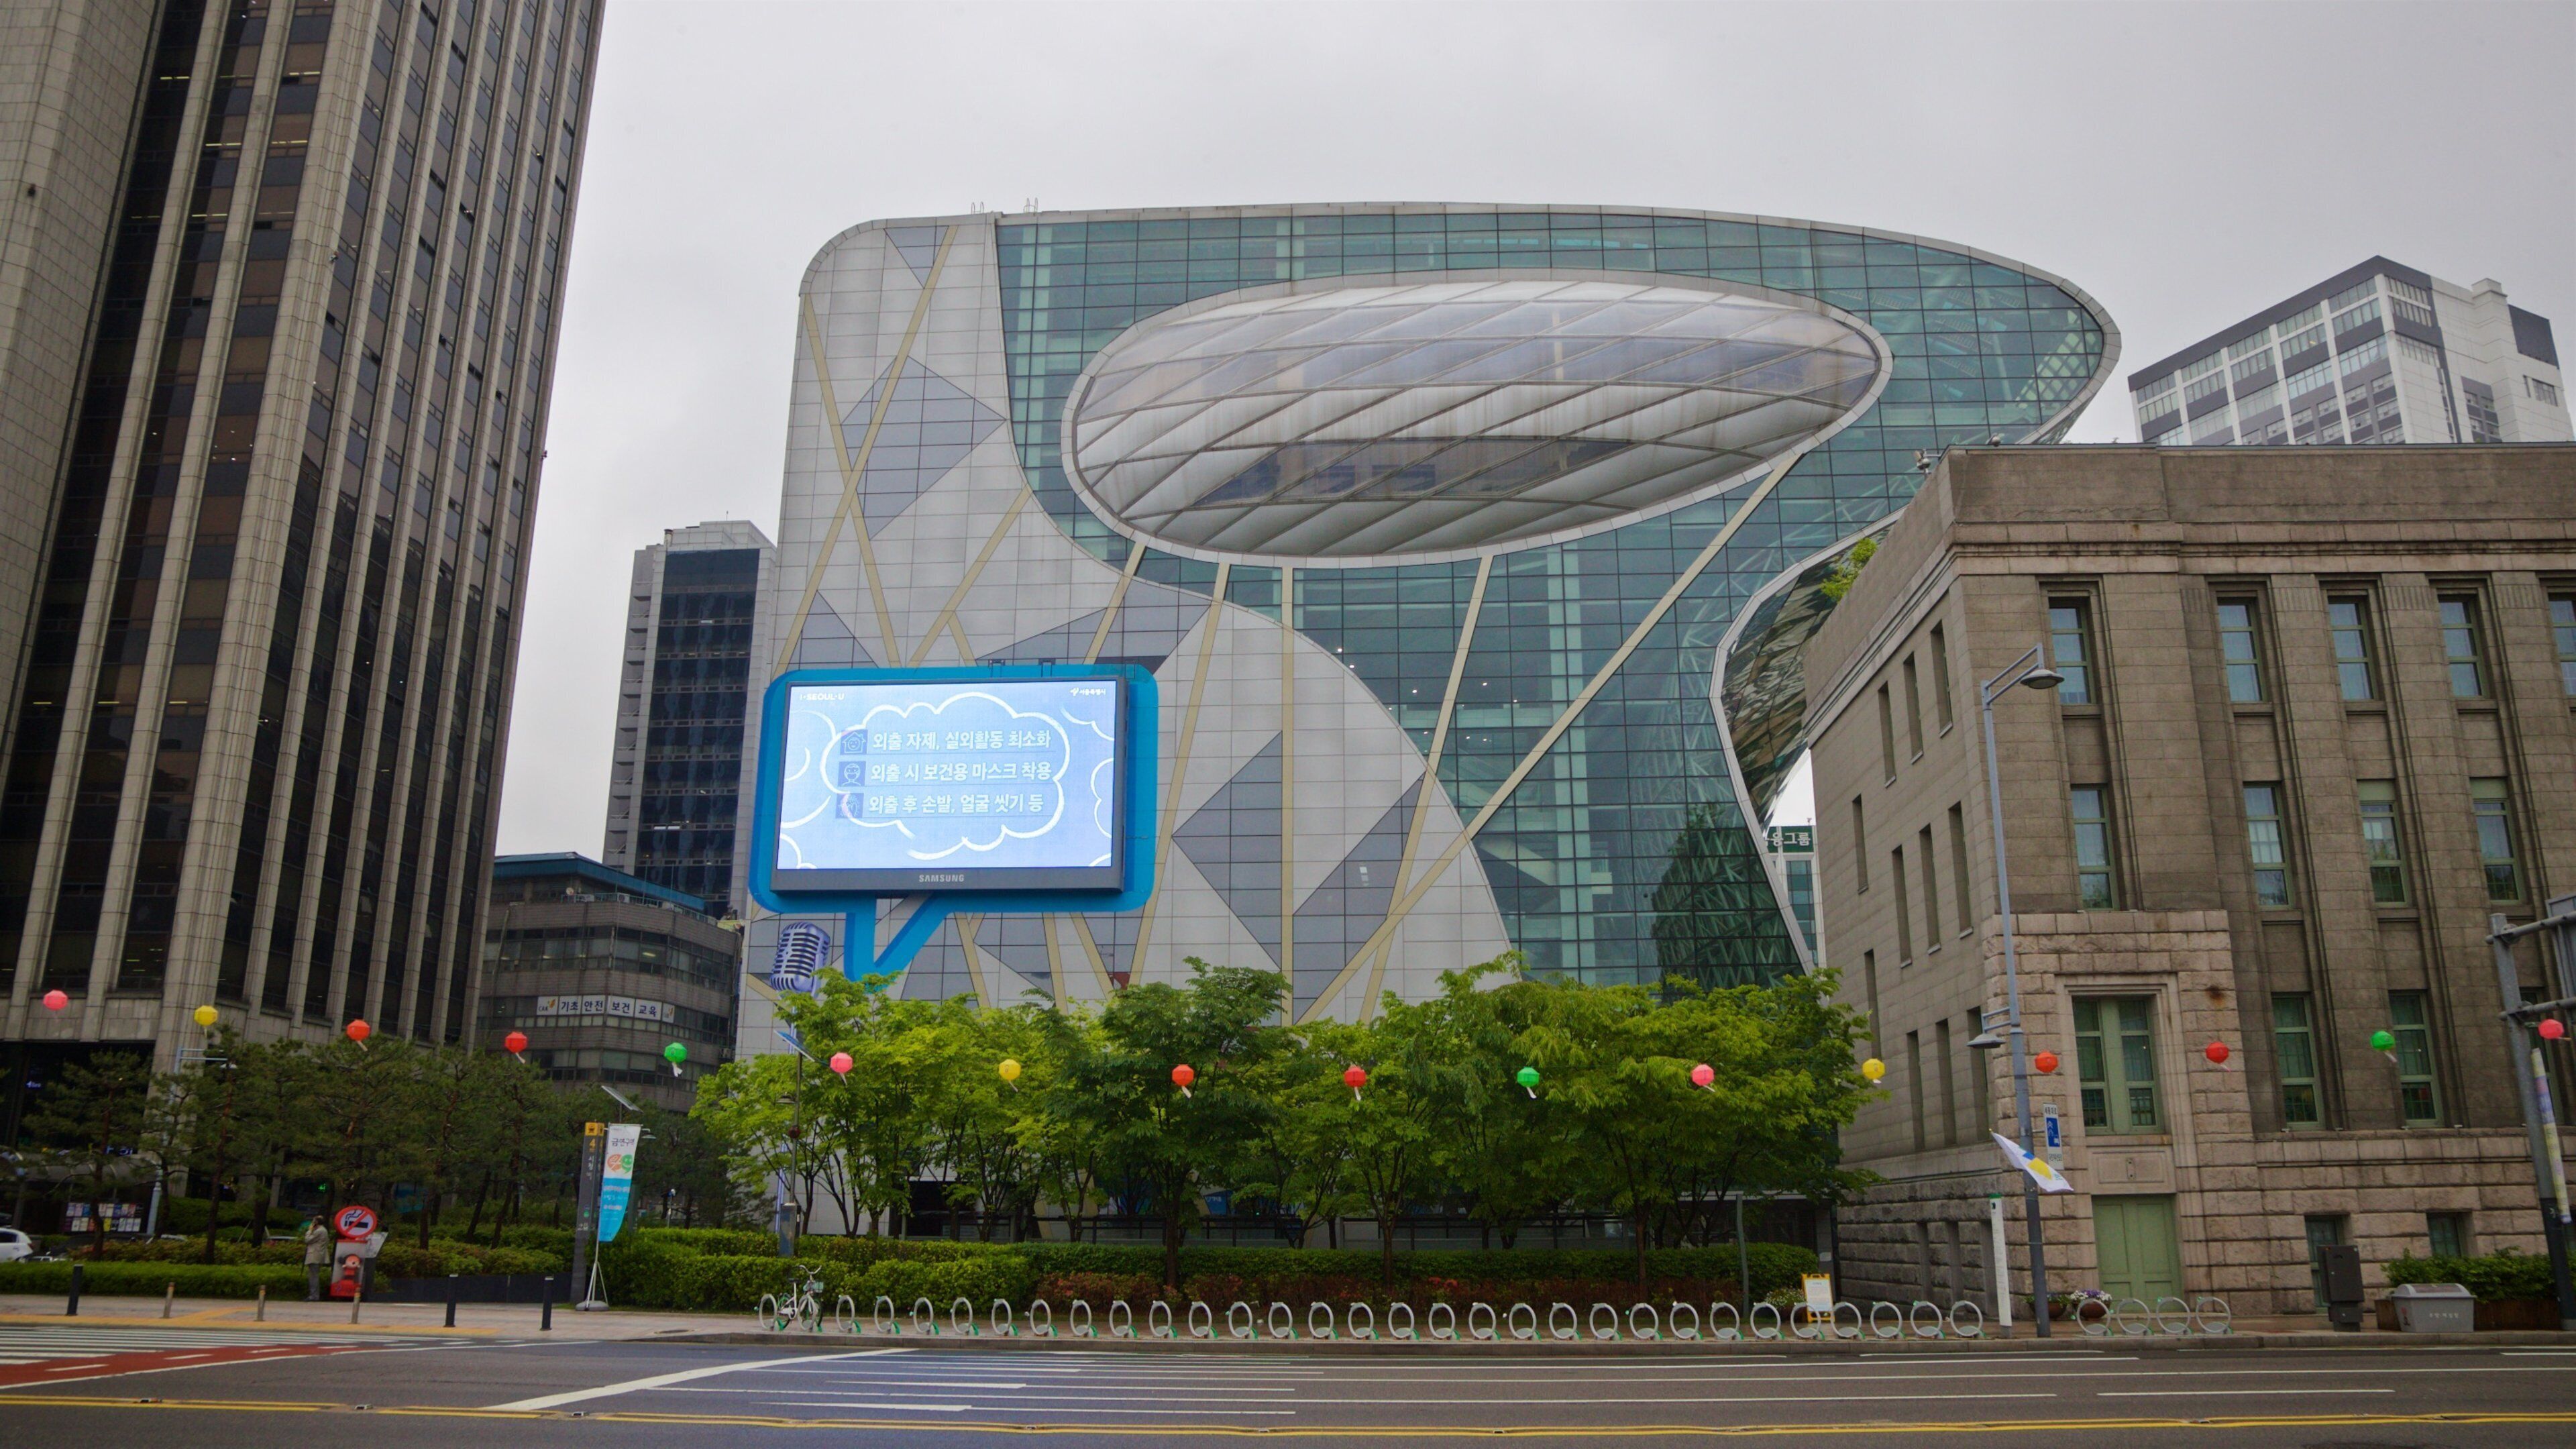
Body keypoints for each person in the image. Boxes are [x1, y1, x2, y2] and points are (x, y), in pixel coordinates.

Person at [302, 1217, 331, 1300]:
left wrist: (309, 1231)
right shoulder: (323, 1230)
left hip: (315, 1255)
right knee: (314, 1275)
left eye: (313, 1221)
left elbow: (308, 1240)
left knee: (313, 1276)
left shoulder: (319, 1231)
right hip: (317, 1255)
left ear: (316, 1222)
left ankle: (314, 1296)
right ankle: (314, 1295)